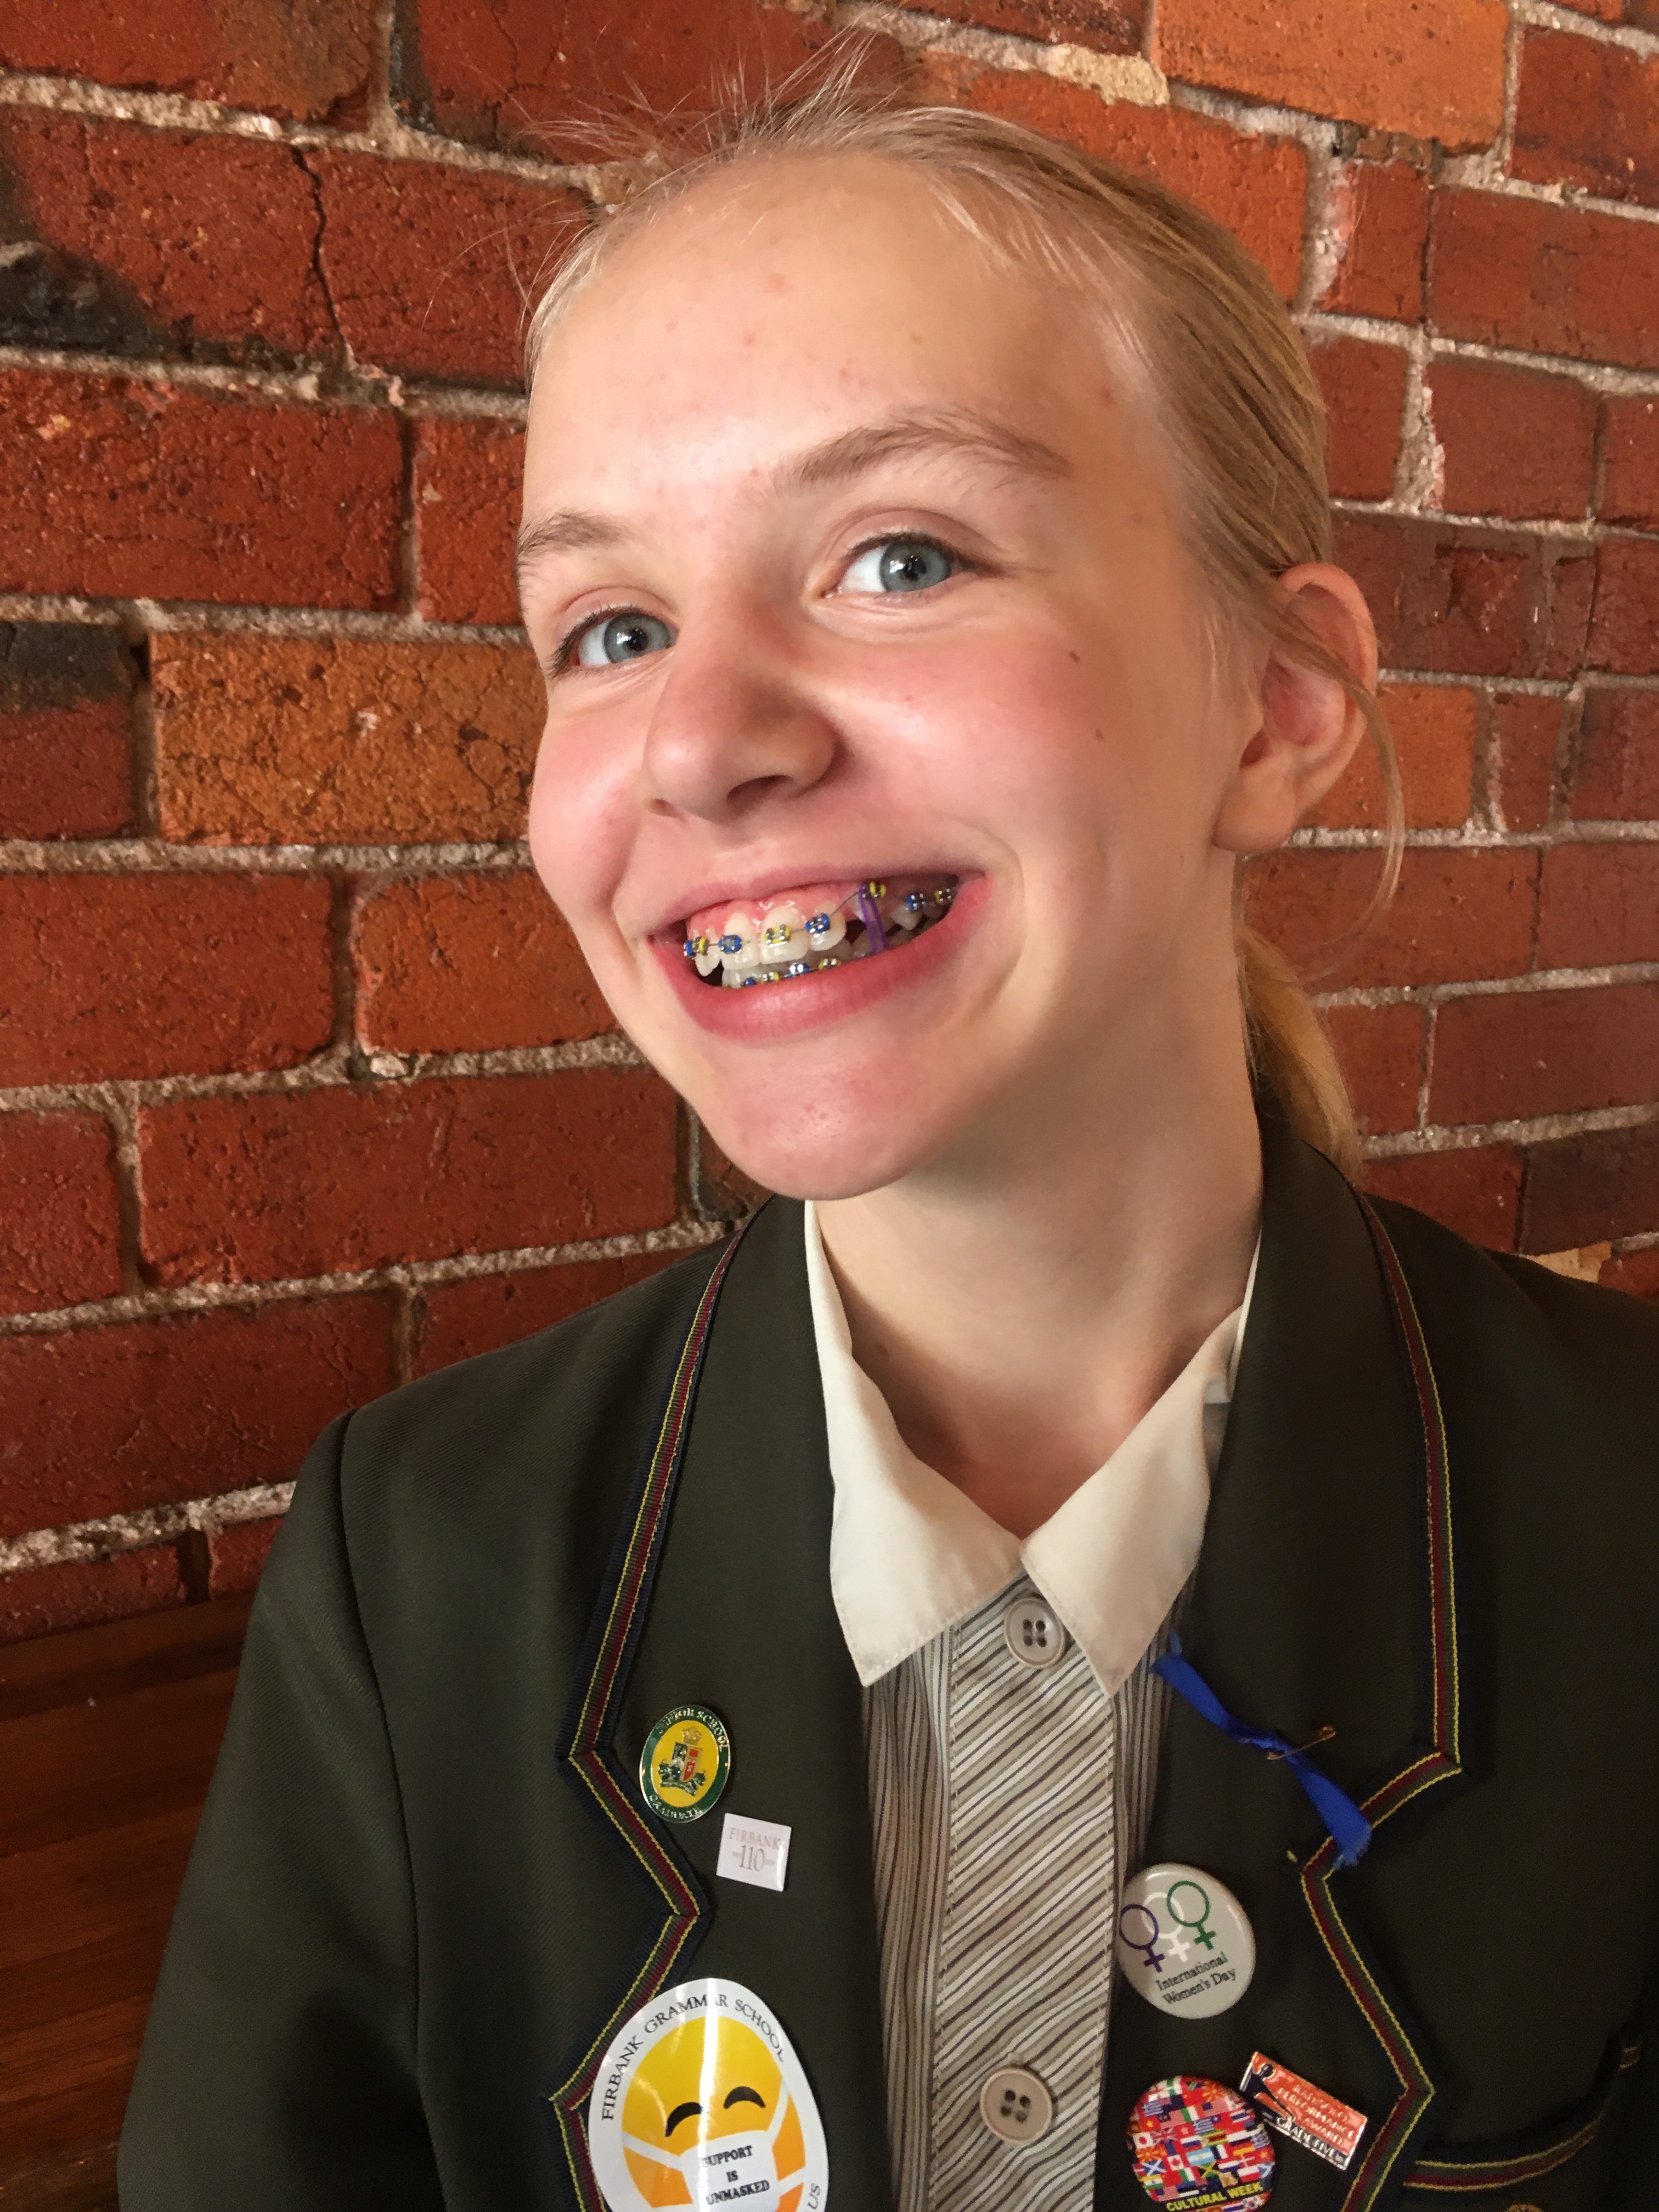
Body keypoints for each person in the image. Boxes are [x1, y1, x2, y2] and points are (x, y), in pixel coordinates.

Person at [119, 63, 1659, 2212]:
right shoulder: (423, 1550)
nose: (700, 740)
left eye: (899, 555)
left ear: (1277, 703)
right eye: (615, 629)